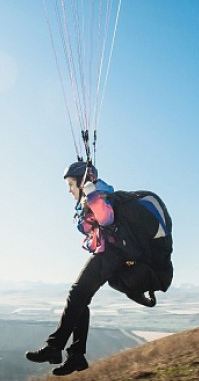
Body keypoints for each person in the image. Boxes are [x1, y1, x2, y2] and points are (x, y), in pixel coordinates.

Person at [24, 161, 122, 376]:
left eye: (71, 184)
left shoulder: (98, 194)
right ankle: (76, 355)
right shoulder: (90, 197)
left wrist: (90, 193)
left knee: (76, 294)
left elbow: (106, 218)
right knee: (80, 300)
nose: (69, 190)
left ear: (82, 182)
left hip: (110, 255)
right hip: (106, 254)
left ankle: (54, 347)